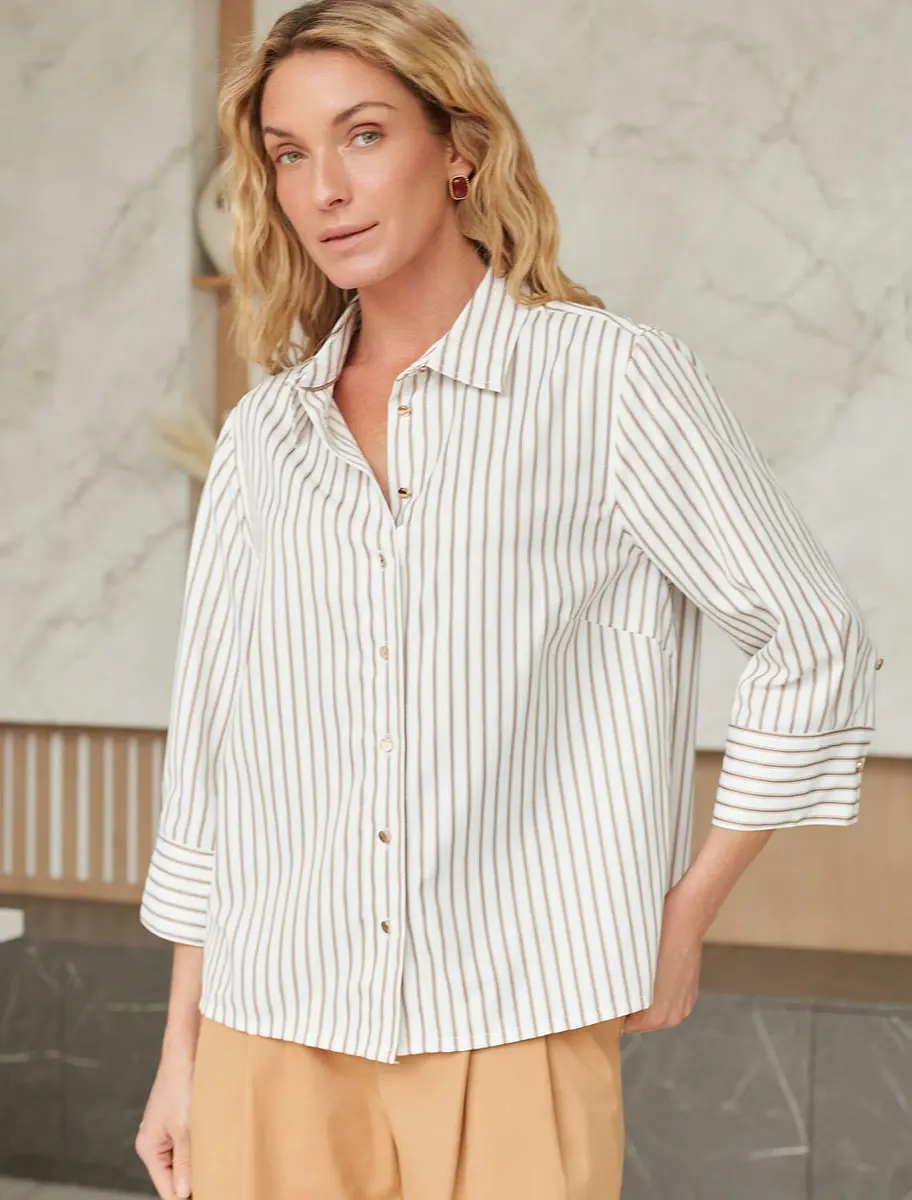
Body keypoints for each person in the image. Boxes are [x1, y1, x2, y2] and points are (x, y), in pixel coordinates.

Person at [134, 1, 880, 1197]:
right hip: (268, 1023)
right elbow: (219, 755)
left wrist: (684, 913)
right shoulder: (265, 437)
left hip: (515, 1020)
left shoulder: (611, 383)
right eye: (289, 153)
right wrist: (182, 1053)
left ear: (459, 147)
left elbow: (813, 640)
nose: (326, 187)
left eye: (364, 134)